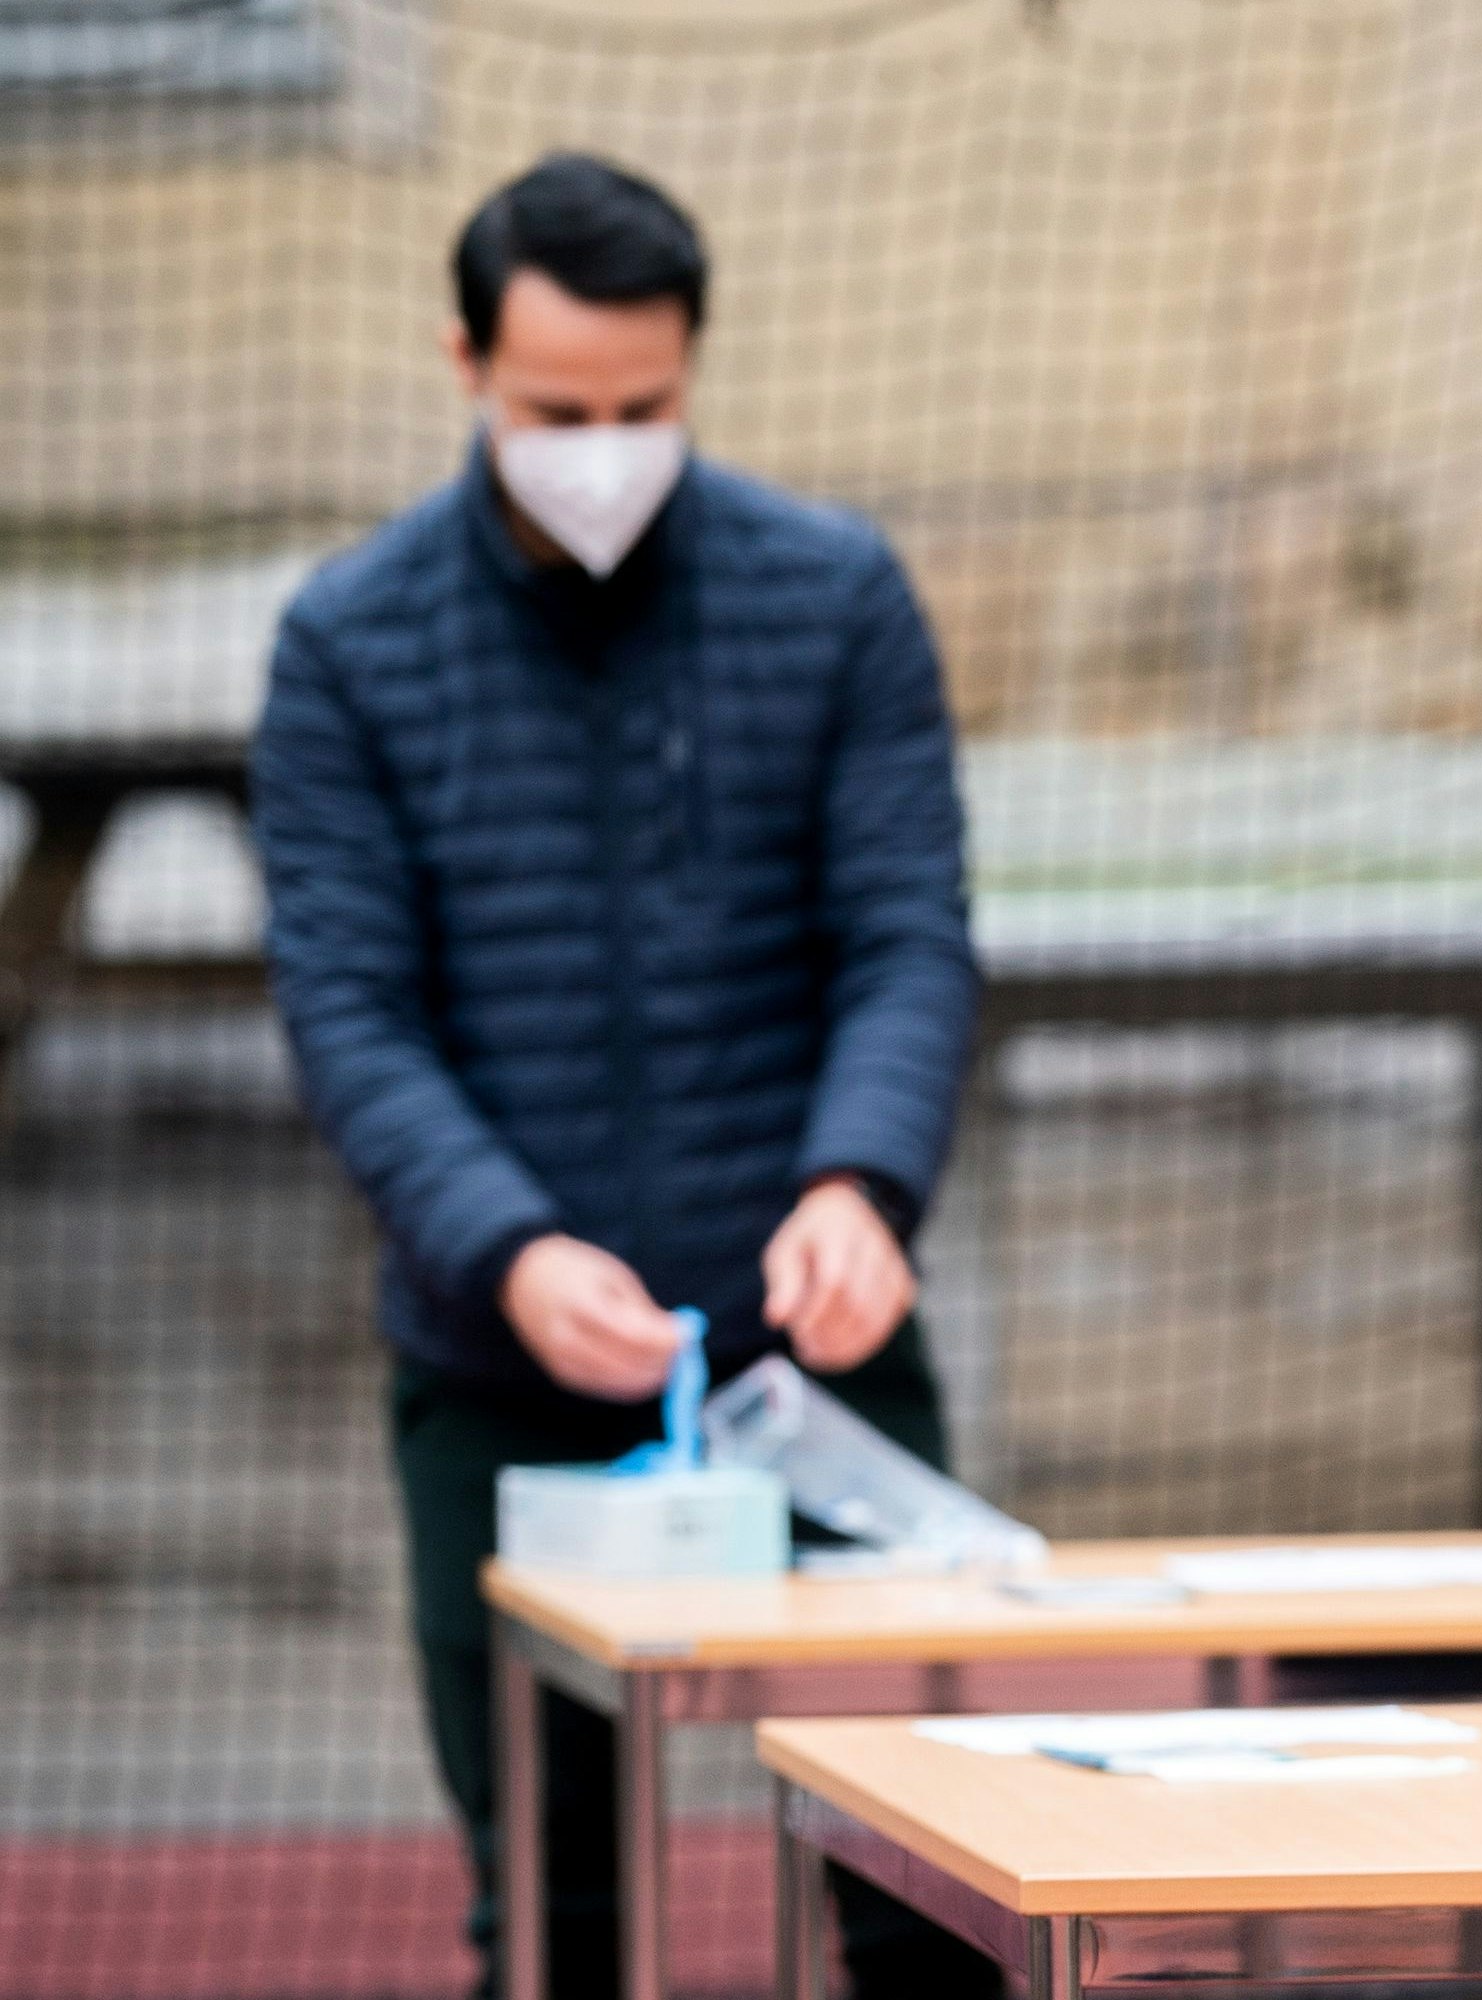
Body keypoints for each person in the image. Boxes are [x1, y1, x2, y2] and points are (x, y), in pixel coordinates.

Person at [250, 154, 989, 1998]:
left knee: (935, 1880)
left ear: (695, 371)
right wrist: (500, 1248)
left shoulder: (832, 597)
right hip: (500, 1369)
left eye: (643, 410)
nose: (601, 446)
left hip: (819, 1359)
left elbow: (907, 930)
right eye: (554, 410)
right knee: (564, 1910)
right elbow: (349, 1006)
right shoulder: (348, 644)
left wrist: (861, 1184)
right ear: (466, 364)